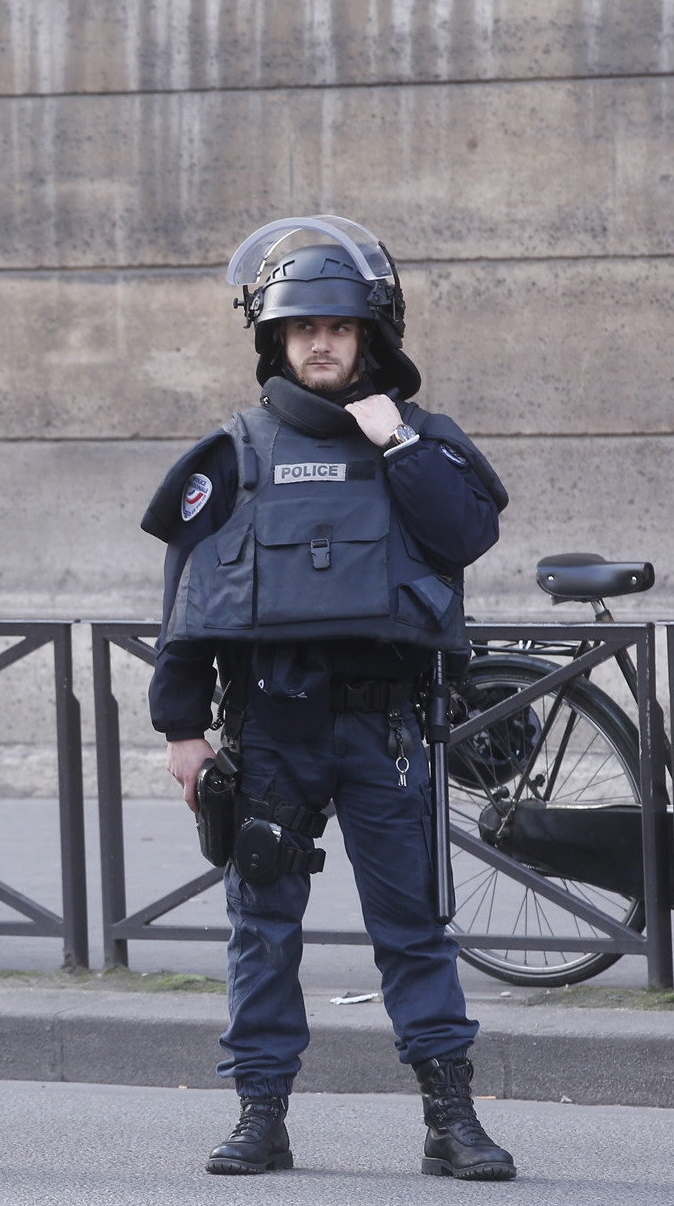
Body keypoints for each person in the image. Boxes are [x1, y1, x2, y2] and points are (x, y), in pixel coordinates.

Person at [141, 216, 516, 1181]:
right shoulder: (232, 453)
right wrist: (181, 729)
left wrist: (396, 444)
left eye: (339, 329)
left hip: (387, 727)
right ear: (273, 339)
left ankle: (450, 1120)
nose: (320, 343)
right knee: (262, 932)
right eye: (301, 327)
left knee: (414, 930)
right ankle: (259, 1115)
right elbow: (185, 595)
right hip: (272, 728)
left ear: (370, 339)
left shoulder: (418, 440)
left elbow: (466, 535)